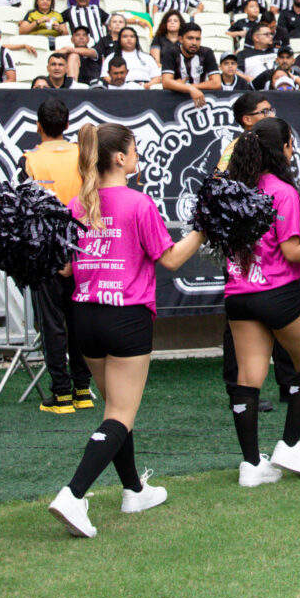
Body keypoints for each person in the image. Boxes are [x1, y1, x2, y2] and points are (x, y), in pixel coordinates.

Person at [47, 125, 204, 538]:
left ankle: (134, 489)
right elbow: (169, 260)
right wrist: (204, 229)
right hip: (127, 318)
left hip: (85, 318)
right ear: (119, 158)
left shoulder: (76, 204)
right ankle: (73, 495)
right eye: (133, 150)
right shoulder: (138, 203)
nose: (137, 156)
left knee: (116, 408)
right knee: (120, 412)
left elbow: (64, 268)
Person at [219, 117, 300, 486]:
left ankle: (251, 466)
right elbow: (291, 251)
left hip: (238, 294)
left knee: (247, 379)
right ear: (279, 150)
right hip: (278, 293)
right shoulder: (283, 191)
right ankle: (290, 445)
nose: (292, 150)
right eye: (289, 145)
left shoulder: (233, 190)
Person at [22, 96, 93, 414]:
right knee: (78, 321)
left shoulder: (28, 159)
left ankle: (61, 394)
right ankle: (83, 390)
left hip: (47, 248)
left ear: (38, 126)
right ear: (66, 125)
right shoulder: (84, 155)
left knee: (52, 323)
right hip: (82, 246)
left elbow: (21, 208)